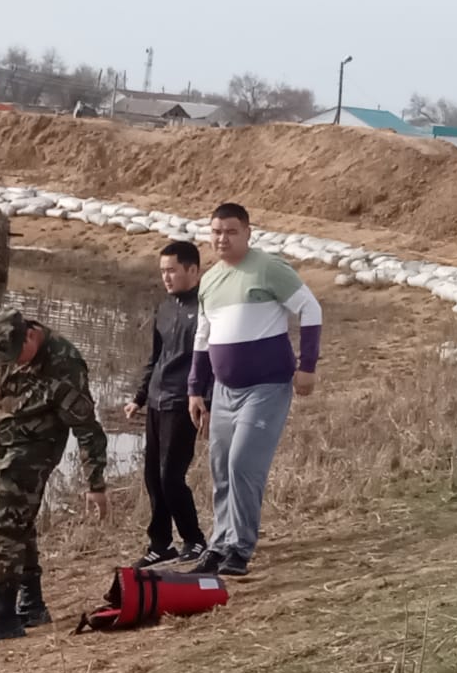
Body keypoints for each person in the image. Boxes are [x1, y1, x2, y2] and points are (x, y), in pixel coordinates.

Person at [0, 307, 109, 645]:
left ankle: (4, 616)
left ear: (30, 335)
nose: (13, 362)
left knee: (2, 526)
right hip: (1, 444)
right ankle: (33, 604)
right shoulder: (2, 344)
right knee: (18, 523)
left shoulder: (64, 363)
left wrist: (95, 483)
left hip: (36, 450)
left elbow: (87, 429)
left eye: (17, 355)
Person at [187, 203, 321, 578]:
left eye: (230, 231)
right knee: (220, 468)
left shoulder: (268, 268)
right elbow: (203, 335)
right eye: (216, 231)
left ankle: (241, 547)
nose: (222, 238)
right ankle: (219, 543)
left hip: (266, 386)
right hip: (224, 392)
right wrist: (196, 389)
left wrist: (307, 366)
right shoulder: (210, 280)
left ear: (248, 233)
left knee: (243, 463)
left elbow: (310, 310)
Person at [124, 240, 208, 568]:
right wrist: (139, 397)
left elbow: (211, 361)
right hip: (158, 399)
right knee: (152, 477)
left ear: (193, 270)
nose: (167, 277)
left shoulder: (205, 308)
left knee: (171, 476)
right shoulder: (165, 307)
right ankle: (160, 544)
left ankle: (195, 539)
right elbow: (155, 357)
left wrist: (206, 401)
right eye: (162, 271)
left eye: (172, 270)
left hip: (184, 402)